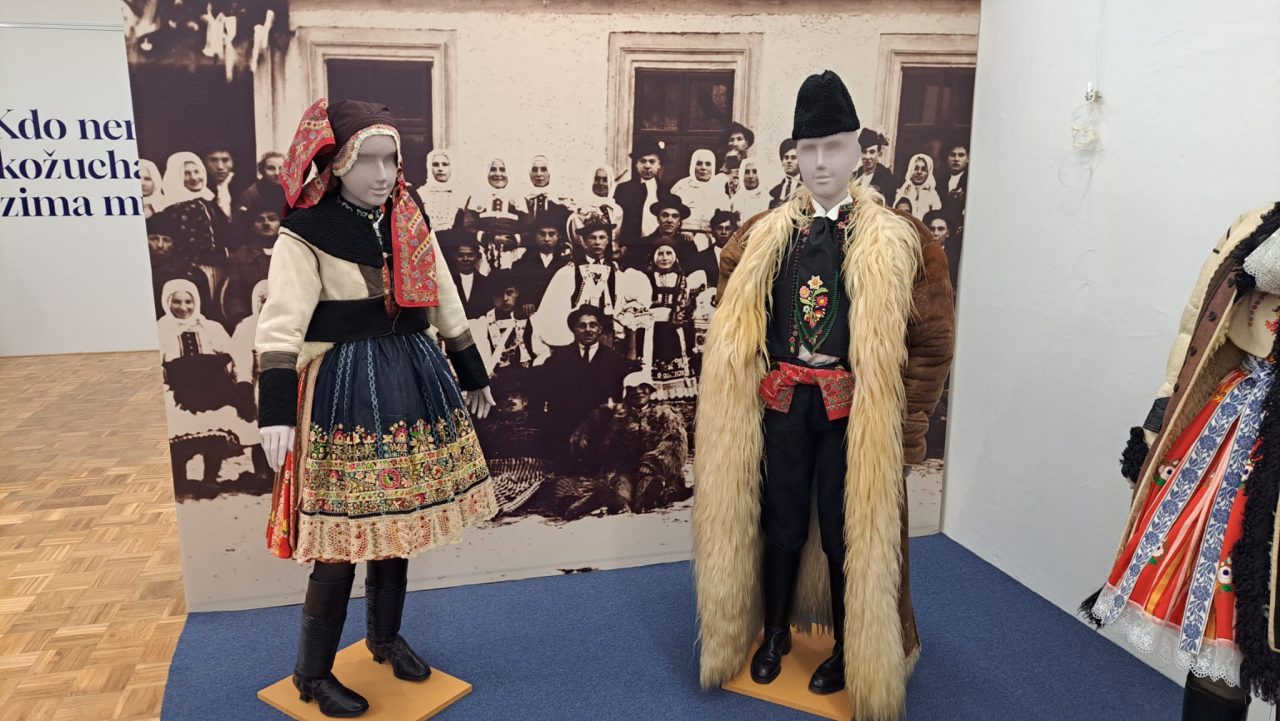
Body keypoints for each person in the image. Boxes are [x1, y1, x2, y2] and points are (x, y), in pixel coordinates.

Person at [693, 70, 954, 717]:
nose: (819, 163)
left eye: (833, 147)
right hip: (783, 401)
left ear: (858, 150)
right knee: (779, 518)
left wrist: (907, 430)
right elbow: (732, 327)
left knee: (847, 531)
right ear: (793, 155)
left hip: (853, 413)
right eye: (807, 149)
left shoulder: (903, 240)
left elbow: (931, 344)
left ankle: (847, 647)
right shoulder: (759, 237)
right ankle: (774, 631)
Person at [256, 98, 497, 718]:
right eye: (369, 160)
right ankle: (311, 673)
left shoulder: (408, 217)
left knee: (397, 525)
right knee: (339, 540)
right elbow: (280, 325)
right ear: (337, 163)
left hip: (410, 377)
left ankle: (384, 639)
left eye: (392, 160)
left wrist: (472, 372)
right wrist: (275, 412)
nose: (384, 174)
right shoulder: (306, 230)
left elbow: (443, 295)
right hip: (344, 390)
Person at [1082, 204, 1280, 721]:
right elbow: (1195, 335)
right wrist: (1153, 431)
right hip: (1238, 430)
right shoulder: (1257, 224)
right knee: (1222, 623)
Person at [569, 371, 691, 512]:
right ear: (626, 393)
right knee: (621, 484)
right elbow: (608, 445)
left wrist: (653, 463)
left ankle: (646, 500)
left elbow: (674, 442)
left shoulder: (666, 414)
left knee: (650, 482)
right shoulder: (619, 415)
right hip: (628, 469)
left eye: (643, 387)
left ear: (651, 390)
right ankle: (618, 502)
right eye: (632, 389)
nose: (638, 392)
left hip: (657, 469)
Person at [533, 210, 652, 348]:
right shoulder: (569, 271)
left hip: (609, 336)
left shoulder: (618, 272)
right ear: (584, 242)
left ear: (608, 241)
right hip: (578, 337)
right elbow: (555, 308)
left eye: (602, 237)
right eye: (592, 238)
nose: (597, 242)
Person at [536, 304, 634, 464]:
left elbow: (617, 398)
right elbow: (552, 395)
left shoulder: (614, 360)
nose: (588, 330)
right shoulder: (559, 358)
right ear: (574, 330)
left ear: (600, 329)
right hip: (566, 429)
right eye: (582, 326)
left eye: (593, 325)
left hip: (601, 431)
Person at [157, 151, 229, 319]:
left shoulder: (211, 204)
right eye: (187, 173)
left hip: (219, 270)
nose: (195, 177)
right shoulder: (170, 210)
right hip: (189, 272)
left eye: (197, 171)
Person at [643, 239, 706, 384]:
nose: (665, 258)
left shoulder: (682, 280)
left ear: (675, 256)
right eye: (660, 254)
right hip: (652, 330)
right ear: (654, 256)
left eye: (669, 253)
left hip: (675, 328)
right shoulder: (646, 278)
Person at [472, 269, 548, 377]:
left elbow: (543, 352)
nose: (505, 299)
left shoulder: (530, 318)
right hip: (498, 379)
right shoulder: (483, 322)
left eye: (509, 293)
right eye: (498, 294)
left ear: (517, 292)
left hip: (529, 376)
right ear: (491, 296)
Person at [614, 136, 672, 255]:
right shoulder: (623, 189)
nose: (647, 166)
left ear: (659, 164)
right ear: (636, 164)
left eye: (652, 161)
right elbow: (617, 220)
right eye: (642, 161)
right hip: (630, 248)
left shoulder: (666, 190)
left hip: (659, 248)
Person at [512, 203, 572, 312]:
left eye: (551, 234)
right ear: (535, 236)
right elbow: (517, 289)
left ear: (558, 237)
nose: (547, 239)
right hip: (530, 312)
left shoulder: (566, 263)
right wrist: (526, 301)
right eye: (542, 234)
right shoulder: (521, 264)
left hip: (558, 310)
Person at [437, 227, 491, 319]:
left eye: (470, 255)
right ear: (454, 257)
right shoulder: (447, 281)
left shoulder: (486, 282)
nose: (465, 259)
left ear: (477, 256)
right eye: (460, 255)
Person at [671, 148, 721, 244]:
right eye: (699, 163)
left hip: (711, 240)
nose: (703, 168)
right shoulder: (681, 186)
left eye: (708, 164)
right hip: (683, 238)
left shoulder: (719, 189)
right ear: (693, 165)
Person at [574, 165, 624, 247]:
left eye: (605, 180)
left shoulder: (617, 210)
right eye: (597, 179)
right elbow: (579, 238)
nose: (601, 183)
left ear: (610, 182)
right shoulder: (582, 208)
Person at [414, 149, 463, 231]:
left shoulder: (461, 193)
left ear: (452, 167)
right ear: (429, 167)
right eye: (435, 165)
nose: (440, 169)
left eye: (445, 164)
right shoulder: (421, 193)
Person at [233, 151, 285, 224]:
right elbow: (238, 222)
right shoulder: (251, 194)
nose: (277, 173)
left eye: (281, 168)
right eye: (271, 168)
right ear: (262, 170)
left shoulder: (292, 192)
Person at [523, 154, 576, 222]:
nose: (539, 174)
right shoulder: (522, 200)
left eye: (544, 169)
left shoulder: (562, 199)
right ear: (529, 173)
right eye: (534, 170)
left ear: (550, 172)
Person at [892, 153, 942, 221]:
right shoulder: (903, 191)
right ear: (911, 170)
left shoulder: (933, 195)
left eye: (923, 169)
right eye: (916, 168)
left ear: (928, 173)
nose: (919, 172)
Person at [852, 128, 896, 201]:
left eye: (872, 152)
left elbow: (886, 204)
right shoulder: (853, 177)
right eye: (864, 152)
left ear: (879, 153)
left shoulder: (886, 178)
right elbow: (846, 205)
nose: (867, 157)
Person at [204, 147, 249, 219]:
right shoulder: (201, 187)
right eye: (213, 160)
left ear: (233, 162)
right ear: (205, 162)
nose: (220, 167)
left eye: (225, 160)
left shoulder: (245, 186)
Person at [923, 209, 960, 289]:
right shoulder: (922, 254)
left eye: (940, 229)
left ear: (948, 233)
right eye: (932, 229)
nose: (935, 233)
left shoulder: (954, 257)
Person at [730, 157, 770, 222]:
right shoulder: (735, 200)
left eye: (754, 172)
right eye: (746, 172)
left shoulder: (767, 200)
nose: (750, 176)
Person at [768, 139, 800, 209]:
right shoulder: (775, 192)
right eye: (786, 157)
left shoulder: (807, 188)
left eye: (793, 157)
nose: (789, 161)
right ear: (782, 162)